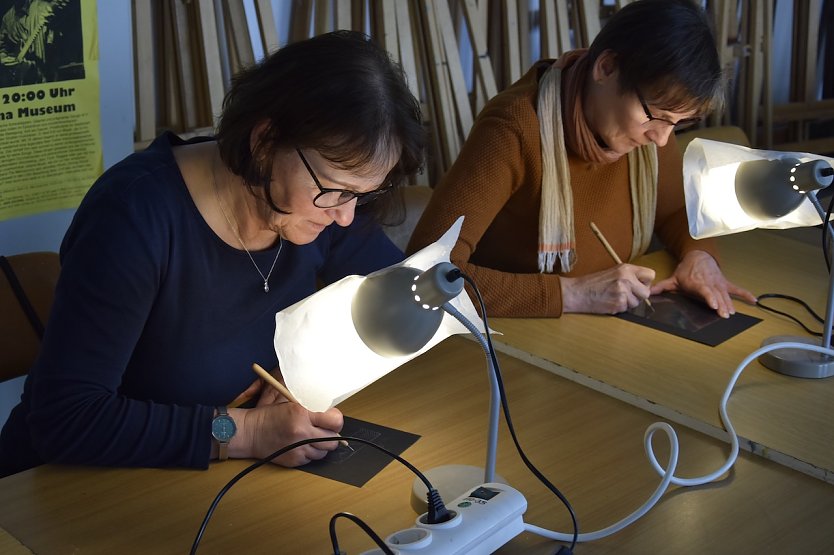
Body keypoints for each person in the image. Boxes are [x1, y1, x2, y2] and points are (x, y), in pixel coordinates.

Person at [0, 30, 425, 477]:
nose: (344, 216)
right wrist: (250, 433)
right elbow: (66, 419)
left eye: (363, 194)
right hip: (59, 491)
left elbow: (401, 296)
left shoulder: (319, 201)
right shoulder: (133, 218)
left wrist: (308, 369)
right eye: (336, 191)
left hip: (198, 485)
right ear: (264, 142)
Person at [407, 0, 756, 318]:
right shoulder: (515, 128)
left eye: (679, 123)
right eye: (656, 116)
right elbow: (428, 270)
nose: (662, 138)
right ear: (605, 68)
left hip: (598, 333)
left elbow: (675, 211)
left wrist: (700, 258)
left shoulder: (650, 127)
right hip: (505, 339)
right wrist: (571, 294)